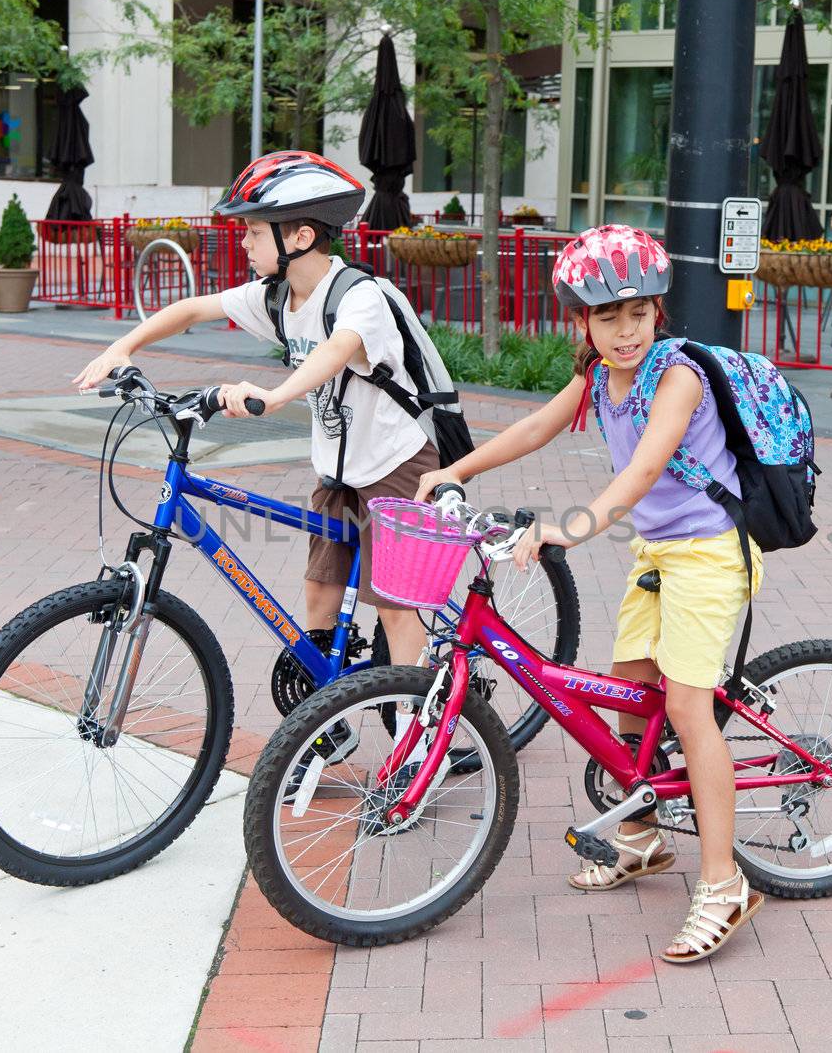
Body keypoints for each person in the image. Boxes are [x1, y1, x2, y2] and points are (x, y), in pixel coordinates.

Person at [415, 224, 764, 964]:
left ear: (657, 311)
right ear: (584, 322)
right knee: (626, 694)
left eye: (638, 312)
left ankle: (724, 881)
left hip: (708, 555)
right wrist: (459, 471)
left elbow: (640, 473)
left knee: (685, 705)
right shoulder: (598, 374)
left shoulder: (678, 375)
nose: (626, 330)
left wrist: (568, 526)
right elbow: (538, 426)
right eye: (609, 317)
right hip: (659, 554)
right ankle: (639, 839)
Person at [70, 150, 436, 669]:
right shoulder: (278, 297)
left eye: (255, 231)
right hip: (339, 471)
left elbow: (336, 351)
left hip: (398, 465)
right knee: (320, 592)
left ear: (300, 237)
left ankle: (416, 735)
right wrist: (122, 347)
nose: (243, 242)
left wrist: (275, 396)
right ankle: (328, 706)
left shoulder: (358, 297)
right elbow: (195, 308)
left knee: (396, 611)